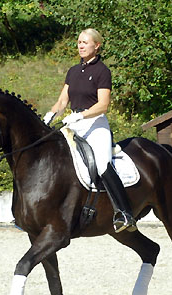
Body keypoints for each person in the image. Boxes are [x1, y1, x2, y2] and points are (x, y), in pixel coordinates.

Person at [43, 28, 137, 233]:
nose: (81, 46)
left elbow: (103, 105)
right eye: (79, 42)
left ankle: (124, 213)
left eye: (85, 42)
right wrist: (50, 115)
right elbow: (62, 101)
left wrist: (81, 115)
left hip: (95, 124)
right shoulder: (73, 71)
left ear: (97, 46)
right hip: (73, 123)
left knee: (103, 164)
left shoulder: (102, 71)